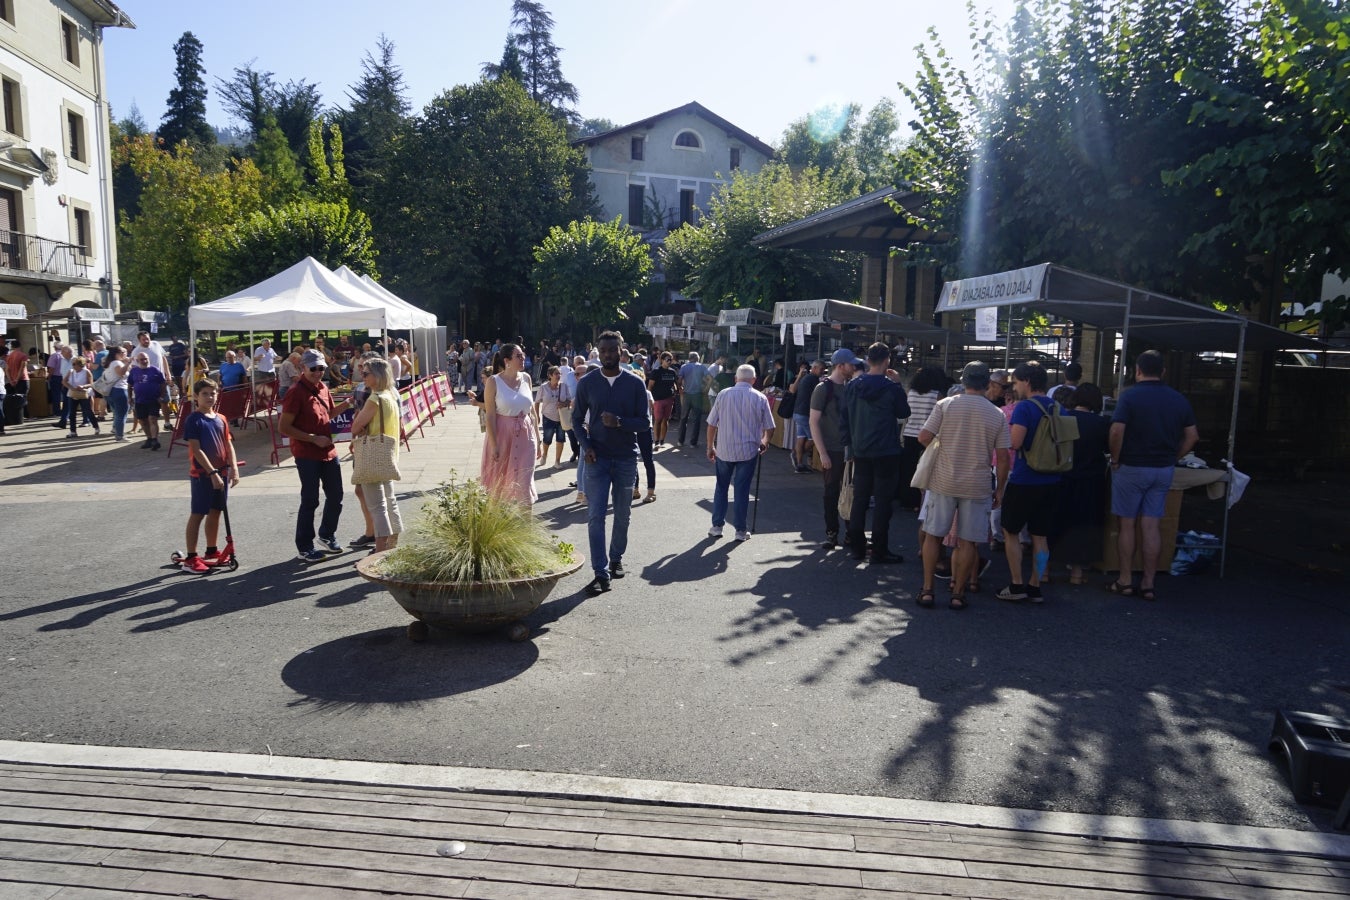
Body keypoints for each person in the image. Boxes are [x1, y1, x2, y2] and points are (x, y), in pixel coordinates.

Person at [915, 361, 1012, 610]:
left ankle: (927, 590)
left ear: (964, 380)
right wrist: (999, 489)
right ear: (987, 384)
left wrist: (944, 449)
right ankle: (958, 593)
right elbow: (1003, 457)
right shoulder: (997, 414)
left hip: (944, 479)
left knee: (934, 535)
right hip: (977, 483)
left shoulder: (945, 405)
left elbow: (923, 437)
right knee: (968, 541)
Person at [1108, 350, 1199, 600]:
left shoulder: (1130, 397)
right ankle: (1148, 583)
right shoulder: (1178, 399)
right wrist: (1174, 457)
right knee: (1152, 525)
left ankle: (1125, 579)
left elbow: (1116, 431)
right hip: (1162, 468)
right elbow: (1192, 436)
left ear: (1137, 370)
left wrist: (1115, 459)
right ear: (1163, 372)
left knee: (1126, 523)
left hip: (1131, 466)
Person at [574, 330, 649, 595]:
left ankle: (616, 557)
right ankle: (600, 572)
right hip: (598, 459)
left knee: (623, 514)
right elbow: (575, 420)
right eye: (603, 351)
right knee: (595, 516)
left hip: (626, 458)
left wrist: (620, 422)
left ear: (621, 351)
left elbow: (645, 423)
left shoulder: (634, 383)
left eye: (612, 350)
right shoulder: (588, 383)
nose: (607, 355)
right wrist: (587, 446)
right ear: (598, 351)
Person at [279, 349, 356, 563]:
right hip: (307, 453)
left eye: (321, 368)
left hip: (327, 451)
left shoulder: (323, 387)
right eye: (313, 368)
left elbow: (329, 413)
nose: (318, 372)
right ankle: (305, 546)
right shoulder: (295, 392)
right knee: (310, 500)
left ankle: (326, 534)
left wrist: (348, 404)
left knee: (336, 496)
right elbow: (284, 427)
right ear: (302, 368)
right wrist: (312, 438)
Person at [839, 343, 911, 564]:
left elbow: (845, 418)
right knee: (883, 501)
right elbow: (903, 412)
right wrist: (899, 385)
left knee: (860, 498)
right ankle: (879, 548)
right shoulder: (891, 388)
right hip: (886, 449)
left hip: (861, 448)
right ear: (887, 360)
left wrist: (849, 446)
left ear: (868, 360)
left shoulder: (852, 386)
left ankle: (857, 547)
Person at [996, 361, 1061, 603]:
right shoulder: (1057, 406)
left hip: (1025, 478)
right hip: (1052, 478)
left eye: (1016, 382)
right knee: (1040, 536)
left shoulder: (1024, 408)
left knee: (1010, 530)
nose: (1014, 387)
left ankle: (1016, 584)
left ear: (1027, 382)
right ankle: (1035, 584)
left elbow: (1015, 442)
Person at [705, 364, 776, 541]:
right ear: (753, 380)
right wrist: (765, 442)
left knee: (721, 487)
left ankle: (717, 526)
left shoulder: (723, 394)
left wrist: (710, 446)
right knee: (742, 490)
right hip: (748, 450)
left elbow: (712, 424)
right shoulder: (760, 397)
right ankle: (740, 530)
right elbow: (770, 426)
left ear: (736, 379)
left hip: (725, 449)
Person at [1051, 383, 1110, 585]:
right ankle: (1076, 574)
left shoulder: (1060, 419)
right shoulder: (1102, 423)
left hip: (1060, 477)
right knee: (1083, 526)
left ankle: (1042, 571)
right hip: (1090, 481)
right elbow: (1108, 449)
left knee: (1052, 525)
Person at [181, 379, 240, 573]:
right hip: (202, 475)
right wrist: (212, 472)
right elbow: (196, 450)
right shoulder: (194, 419)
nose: (209, 397)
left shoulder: (221, 418)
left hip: (221, 473)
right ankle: (191, 557)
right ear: (196, 396)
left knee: (216, 511)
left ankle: (211, 550)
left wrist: (233, 468)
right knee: (198, 513)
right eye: (205, 393)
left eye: (212, 393)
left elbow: (228, 443)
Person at [809, 348, 863, 549]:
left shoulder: (851, 386)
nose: (854, 367)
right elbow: (813, 422)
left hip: (850, 450)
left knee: (851, 492)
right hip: (832, 449)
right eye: (851, 364)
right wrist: (822, 453)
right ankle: (832, 533)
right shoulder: (823, 388)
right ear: (841, 366)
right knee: (831, 493)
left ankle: (851, 533)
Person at [350, 357, 403, 552]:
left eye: (365, 374)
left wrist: (359, 427)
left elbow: (355, 427)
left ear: (377, 376)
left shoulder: (374, 399)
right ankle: (392, 544)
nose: (361, 377)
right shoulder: (390, 395)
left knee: (377, 506)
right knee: (390, 501)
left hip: (373, 456)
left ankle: (381, 550)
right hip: (388, 454)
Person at [480, 342, 540, 506]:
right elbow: (490, 415)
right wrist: (494, 445)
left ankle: (526, 529)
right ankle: (499, 527)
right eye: (518, 356)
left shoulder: (527, 378)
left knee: (525, 483)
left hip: (526, 436)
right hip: (502, 435)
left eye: (523, 355)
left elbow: (532, 413)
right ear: (507, 360)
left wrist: (539, 440)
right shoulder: (493, 382)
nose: (523, 358)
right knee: (498, 484)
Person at [897, 366, 949, 511]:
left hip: (909, 433)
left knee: (908, 468)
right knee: (925, 468)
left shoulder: (911, 393)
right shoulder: (936, 395)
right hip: (927, 435)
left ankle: (906, 499)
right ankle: (919, 502)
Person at [127, 352, 166, 449]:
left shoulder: (155, 370)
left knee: (152, 419)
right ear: (137, 361)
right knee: (142, 421)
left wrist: (161, 396)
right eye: (142, 359)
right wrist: (129, 397)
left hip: (153, 400)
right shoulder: (134, 371)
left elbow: (163, 384)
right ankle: (149, 439)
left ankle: (155, 440)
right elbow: (129, 385)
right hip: (140, 400)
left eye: (146, 359)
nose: (144, 361)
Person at [789, 359, 823, 472]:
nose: (822, 371)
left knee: (801, 438)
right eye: (821, 369)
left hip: (798, 412)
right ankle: (796, 455)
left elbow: (793, 389)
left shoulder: (806, 378)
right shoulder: (813, 379)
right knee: (814, 438)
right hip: (805, 413)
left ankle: (799, 464)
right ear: (814, 368)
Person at [535, 365, 570, 467]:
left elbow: (569, 401)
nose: (558, 375)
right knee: (547, 439)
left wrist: (564, 404)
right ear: (550, 375)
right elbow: (536, 402)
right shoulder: (543, 387)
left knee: (560, 439)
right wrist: (537, 416)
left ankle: (557, 461)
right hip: (548, 417)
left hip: (561, 418)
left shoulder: (564, 386)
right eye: (556, 373)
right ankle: (544, 455)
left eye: (559, 373)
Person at [676, 351, 710, 448]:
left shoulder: (684, 367)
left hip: (687, 395)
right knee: (697, 419)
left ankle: (680, 441)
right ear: (697, 358)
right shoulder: (702, 367)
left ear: (689, 358)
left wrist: (680, 388)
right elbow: (710, 379)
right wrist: (705, 389)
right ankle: (693, 442)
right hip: (698, 395)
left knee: (683, 418)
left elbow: (679, 380)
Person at [647, 352, 679, 447]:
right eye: (667, 360)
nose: (669, 362)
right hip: (658, 399)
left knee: (666, 420)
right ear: (662, 360)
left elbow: (675, 383)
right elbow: (650, 386)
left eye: (671, 360)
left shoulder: (672, 372)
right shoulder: (656, 371)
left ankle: (662, 440)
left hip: (669, 399)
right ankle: (656, 441)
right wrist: (650, 399)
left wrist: (676, 390)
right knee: (658, 420)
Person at [62, 356, 97, 438]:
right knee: (72, 413)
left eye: (75, 364)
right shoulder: (70, 371)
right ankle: (73, 431)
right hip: (73, 394)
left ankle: (96, 426)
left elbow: (92, 384)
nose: (73, 366)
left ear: (81, 365)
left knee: (88, 411)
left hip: (83, 394)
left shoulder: (86, 372)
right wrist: (71, 388)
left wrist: (83, 386)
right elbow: (64, 381)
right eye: (73, 364)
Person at [102, 346, 130, 442]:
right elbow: (121, 373)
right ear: (117, 354)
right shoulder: (116, 363)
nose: (125, 354)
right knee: (121, 414)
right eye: (123, 352)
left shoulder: (110, 363)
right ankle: (120, 436)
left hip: (110, 391)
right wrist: (128, 363)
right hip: (119, 390)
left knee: (117, 413)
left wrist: (126, 363)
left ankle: (116, 430)